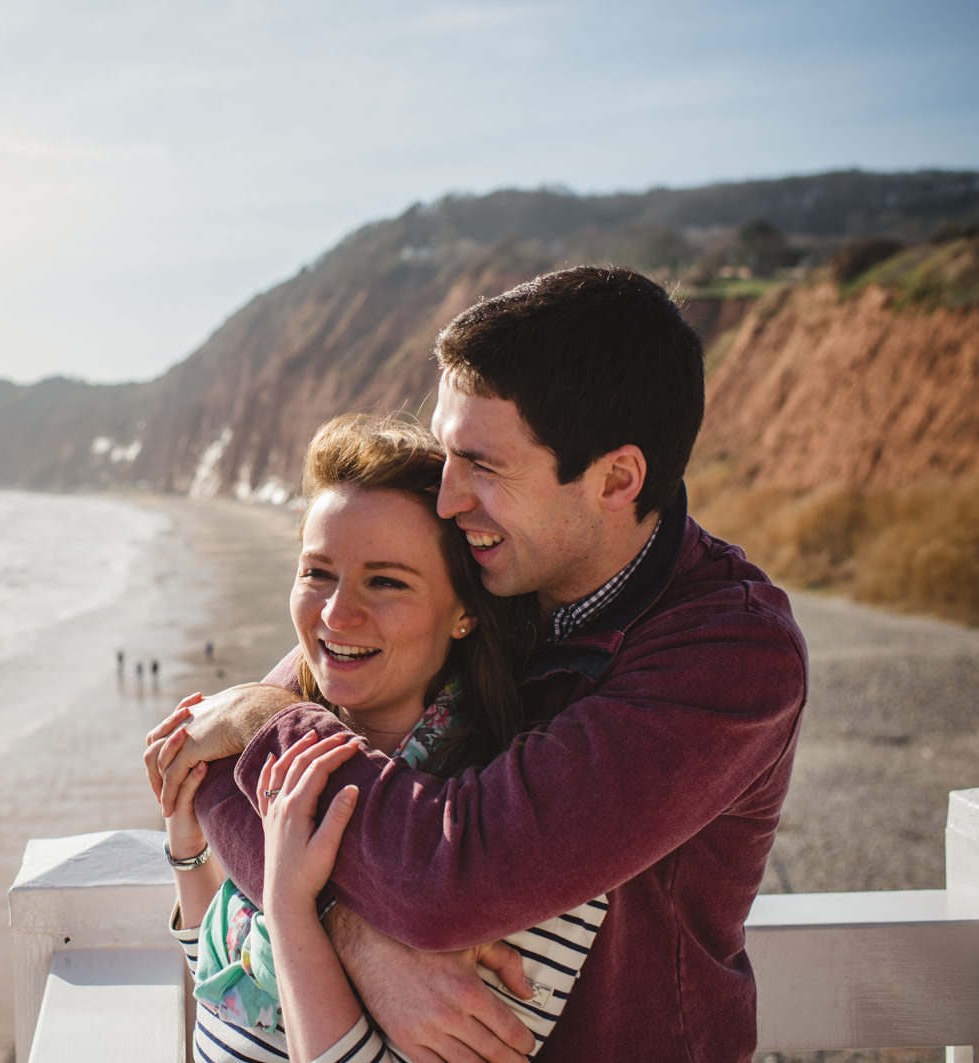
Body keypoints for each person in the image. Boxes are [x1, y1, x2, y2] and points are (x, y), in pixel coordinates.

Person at [149, 267, 808, 1062]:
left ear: (616, 479)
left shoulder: (729, 657)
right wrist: (354, 938)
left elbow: (448, 875)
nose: (448, 498)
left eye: (482, 465)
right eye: (446, 453)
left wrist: (258, 720)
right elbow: (226, 768)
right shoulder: (492, 557)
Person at [146, 415, 606, 1063]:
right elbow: (225, 986)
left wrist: (295, 908)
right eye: (317, 572)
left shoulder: (507, 827)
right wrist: (189, 844)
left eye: (386, 580)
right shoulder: (284, 764)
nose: (336, 613)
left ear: (466, 609)